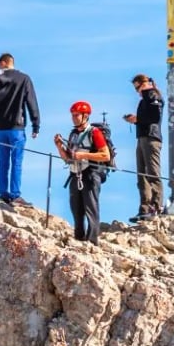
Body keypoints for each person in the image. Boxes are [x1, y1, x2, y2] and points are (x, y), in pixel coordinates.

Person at [0, 52, 41, 207]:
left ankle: (3, 194)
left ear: (4, 62)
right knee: (16, 162)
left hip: (0, 128)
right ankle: (15, 195)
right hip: (17, 127)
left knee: (2, 162)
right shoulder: (24, 78)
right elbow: (31, 102)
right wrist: (36, 124)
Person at [54, 101, 113, 244]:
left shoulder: (95, 133)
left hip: (91, 174)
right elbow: (68, 158)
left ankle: (92, 241)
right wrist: (59, 147)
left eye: (76, 115)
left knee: (90, 208)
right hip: (75, 173)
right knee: (76, 209)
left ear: (85, 116)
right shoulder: (73, 134)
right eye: (73, 115)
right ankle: (79, 239)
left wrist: (84, 155)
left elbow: (106, 155)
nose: (74, 118)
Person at [122, 74, 165, 222]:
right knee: (142, 174)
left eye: (138, 87)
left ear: (145, 84)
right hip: (142, 137)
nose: (137, 91)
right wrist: (136, 120)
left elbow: (154, 116)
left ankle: (156, 205)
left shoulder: (153, 95)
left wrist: (138, 119)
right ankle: (145, 207)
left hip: (151, 138)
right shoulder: (145, 99)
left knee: (152, 173)